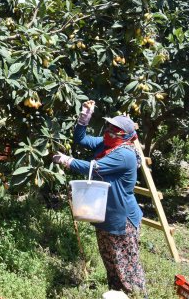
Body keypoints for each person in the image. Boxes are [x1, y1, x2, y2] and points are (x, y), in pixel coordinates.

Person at [53, 101, 147, 297]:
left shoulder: (124, 154)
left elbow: (93, 167)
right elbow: (80, 139)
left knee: (126, 264)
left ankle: (137, 295)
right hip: (104, 213)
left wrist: (66, 160)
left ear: (127, 136)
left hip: (122, 218)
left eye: (116, 130)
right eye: (110, 127)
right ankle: (116, 294)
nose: (111, 131)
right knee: (111, 262)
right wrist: (84, 117)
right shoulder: (107, 144)